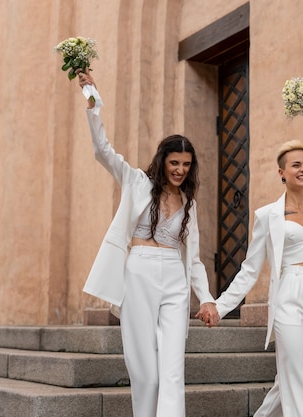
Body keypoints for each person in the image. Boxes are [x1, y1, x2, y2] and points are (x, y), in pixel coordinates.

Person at [198, 95, 303, 417]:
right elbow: (249, 269)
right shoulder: (267, 215)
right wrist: (220, 305)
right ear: (281, 173)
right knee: (301, 386)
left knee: (293, 378)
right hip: (291, 295)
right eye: (296, 165)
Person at [75, 69, 219, 417]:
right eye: (174, 163)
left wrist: (208, 298)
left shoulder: (190, 205)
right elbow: (103, 150)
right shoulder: (136, 181)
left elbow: (194, 258)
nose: (180, 170)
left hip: (174, 278)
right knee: (146, 373)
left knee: (172, 370)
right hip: (138, 272)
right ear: (162, 160)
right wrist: (92, 99)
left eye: (186, 165)